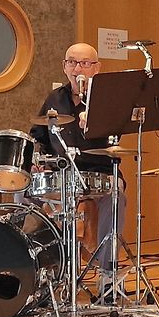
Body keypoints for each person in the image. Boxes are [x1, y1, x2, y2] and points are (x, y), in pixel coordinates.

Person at [28, 42, 124, 295]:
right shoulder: (54, 98)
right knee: (26, 194)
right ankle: (46, 270)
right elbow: (38, 136)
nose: (77, 68)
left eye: (84, 63)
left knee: (116, 197)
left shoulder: (109, 99)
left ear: (97, 68)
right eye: (72, 62)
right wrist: (37, 162)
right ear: (64, 66)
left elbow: (117, 139)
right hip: (62, 173)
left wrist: (95, 121)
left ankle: (108, 273)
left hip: (101, 172)